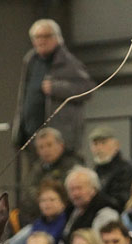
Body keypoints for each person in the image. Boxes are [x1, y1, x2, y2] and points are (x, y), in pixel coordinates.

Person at [12, 19, 94, 155]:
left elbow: (87, 89)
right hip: (32, 136)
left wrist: (57, 88)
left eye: (46, 36)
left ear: (57, 38)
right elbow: (23, 96)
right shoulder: (30, 60)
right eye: (37, 37)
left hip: (60, 138)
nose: (42, 41)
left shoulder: (68, 61)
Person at [18, 129, 82, 223]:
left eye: (49, 145)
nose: (45, 150)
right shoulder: (37, 167)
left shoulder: (72, 165)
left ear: (61, 145)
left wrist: (43, 196)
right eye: (41, 147)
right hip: (35, 218)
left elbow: (64, 193)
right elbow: (27, 190)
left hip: (63, 219)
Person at [61, 166, 118, 244]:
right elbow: (64, 240)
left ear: (93, 189)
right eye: (71, 189)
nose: (75, 193)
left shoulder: (106, 213)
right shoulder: (72, 212)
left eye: (79, 188)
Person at [9, 178, 68, 244]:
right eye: (43, 200)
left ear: (63, 202)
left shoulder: (67, 224)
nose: (47, 204)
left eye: (52, 200)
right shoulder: (36, 225)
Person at [88, 125, 132, 212]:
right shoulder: (94, 170)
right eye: (95, 144)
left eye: (103, 143)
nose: (99, 148)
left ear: (116, 145)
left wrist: (95, 197)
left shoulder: (126, 170)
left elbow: (122, 202)